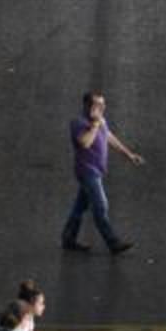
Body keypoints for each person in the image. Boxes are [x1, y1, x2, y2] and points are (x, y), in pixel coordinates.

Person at [62, 91, 143, 255]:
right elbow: (85, 143)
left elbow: (109, 137)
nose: (102, 108)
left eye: (103, 104)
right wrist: (95, 125)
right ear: (87, 106)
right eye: (98, 105)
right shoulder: (78, 123)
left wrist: (129, 154)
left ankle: (68, 238)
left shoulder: (100, 121)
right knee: (100, 206)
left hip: (97, 171)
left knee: (79, 207)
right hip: (87, 172)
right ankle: (113, 242)